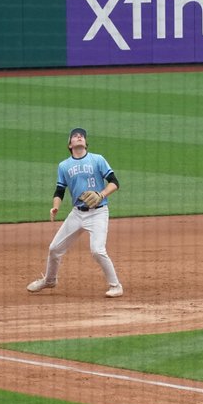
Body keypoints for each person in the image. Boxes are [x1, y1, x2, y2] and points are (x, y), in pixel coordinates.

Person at [27, 127, 124, 298]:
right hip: (77, 213)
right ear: (70, 144)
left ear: (86, 143)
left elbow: (114, 182)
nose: (79, 137)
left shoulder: (97, 159)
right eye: (75, 136)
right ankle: (50, 281)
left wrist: (101, 194)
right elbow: (59, 190)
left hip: (98, 213)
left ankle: (116, 286)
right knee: (54, 248)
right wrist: (55, 206)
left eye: (82, 136)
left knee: (97, 250)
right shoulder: (64, 166)